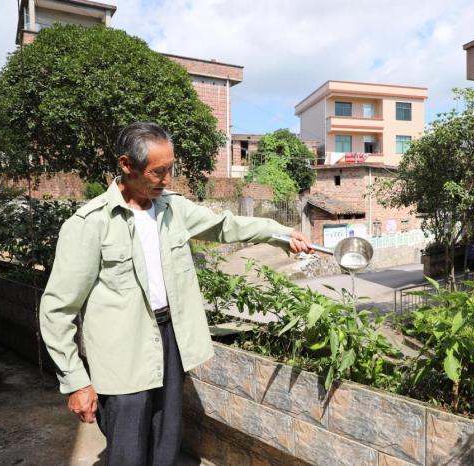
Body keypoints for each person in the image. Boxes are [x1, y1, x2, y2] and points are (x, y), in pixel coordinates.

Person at [39, 122, 312, 466]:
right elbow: (57, 310)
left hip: (170, 340)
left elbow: (226, 225)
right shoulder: (91, 223)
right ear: (126, 165)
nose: (167, 179)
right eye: (159, 171)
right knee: (127, 452)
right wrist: (76, 381)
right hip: (122, 352)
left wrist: (281, 233)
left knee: (166, 445)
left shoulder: (172, 209)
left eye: (171, 169)